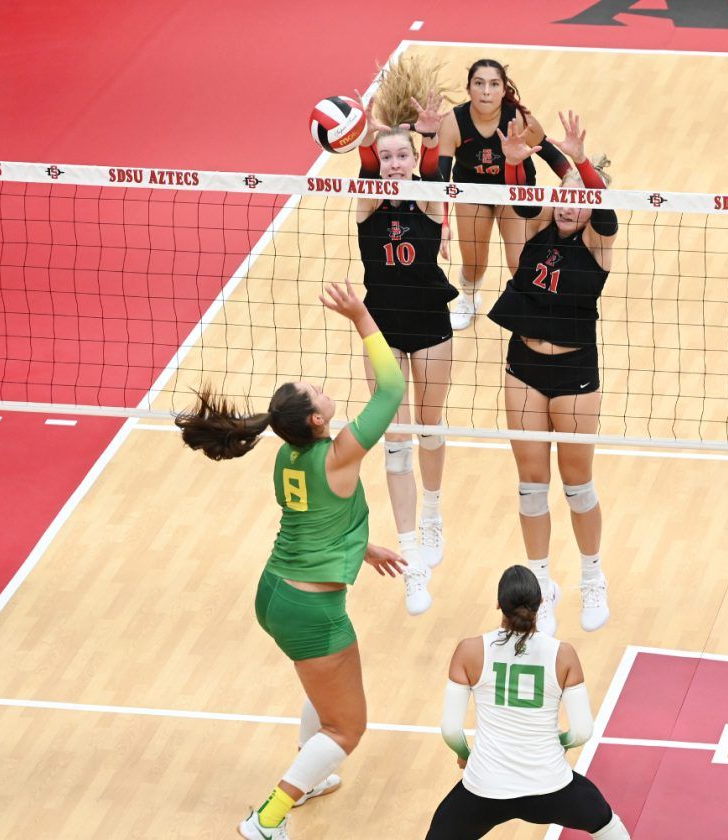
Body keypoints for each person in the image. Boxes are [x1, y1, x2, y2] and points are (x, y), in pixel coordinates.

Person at [176, 280, 410, 840]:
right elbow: (392, 389)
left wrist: (363, 545)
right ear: (317, 422)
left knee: (322, 690)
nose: (325, 390)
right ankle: (267, 819)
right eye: (317, 393)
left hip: (276, 591)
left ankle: (313, 766)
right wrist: (361, 318)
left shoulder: (289, 455)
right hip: (311, 610)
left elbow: (314, 521)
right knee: (349, 727)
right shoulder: (341, 452)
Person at [486, 111, 615, 636]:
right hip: (524, 366)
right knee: (530, 486)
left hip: (576, 371)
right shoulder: (540, 225)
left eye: (577, 198)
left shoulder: (598, 243)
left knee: (577, 486)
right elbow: (522, 201)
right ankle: (541, 589)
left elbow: (599, 202)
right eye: (562, 195)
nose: (567, 204)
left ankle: (592, 577)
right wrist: (523, 161)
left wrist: (575, 159)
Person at [425, 565, 630, 839]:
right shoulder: (563, 655)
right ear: (541, 603)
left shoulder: (469, 651)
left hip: (485, 787)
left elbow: (451, 730)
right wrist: (560, 743)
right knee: (606, 823)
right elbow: (582, 731)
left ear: (499, 604)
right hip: (550, 785)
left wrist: (466, 754)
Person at [353, 57, 456, 583]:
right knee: (395, 439)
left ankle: (433, 515)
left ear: (413, 161)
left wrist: (432, 139)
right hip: (382, 327)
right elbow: (368, 174)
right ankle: (411, 548)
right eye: (387, 156)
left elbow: (435, 178)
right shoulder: (367, 204)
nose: (394, 163)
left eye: (402, 156)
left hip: (430, 322)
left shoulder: (429, 198)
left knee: (429, 427)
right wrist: (368, 138)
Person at [436, 59, 573, 330]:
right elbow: (440, 179)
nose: (486, 91)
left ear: (503, 90)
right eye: (479, 83)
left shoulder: (519, 119)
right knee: (474, 260)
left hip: (515, 189)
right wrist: (443, 222)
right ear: (469, 89)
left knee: (518, 260)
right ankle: (468, 298)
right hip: (472, 190)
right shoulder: (453, 122)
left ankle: (532, 305)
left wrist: (574, 185)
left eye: (494, 84)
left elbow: (550, 154)